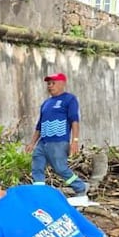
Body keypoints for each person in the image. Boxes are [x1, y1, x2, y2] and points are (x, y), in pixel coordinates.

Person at [25, 72, 91, 207]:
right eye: (48, 84)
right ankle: (40, 194)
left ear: (62, 84)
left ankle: (80, 187)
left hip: (59, 141)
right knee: (37, 167)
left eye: (53, 83)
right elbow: (39, 125)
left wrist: (75, 140)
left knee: (60, 168)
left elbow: (74, 120)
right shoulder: (46, 103)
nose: (50, 86)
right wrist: (32, 143)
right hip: (43, 142)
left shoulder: (69, 99)